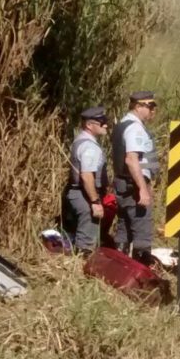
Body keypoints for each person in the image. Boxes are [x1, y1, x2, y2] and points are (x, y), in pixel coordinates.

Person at [112, 91, 160, 266]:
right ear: (139, 106)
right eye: (151, 106)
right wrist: (142, 188)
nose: (153, 111)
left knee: (124, 226)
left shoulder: (122, 124)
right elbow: (131, 160)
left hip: (123, 183)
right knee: (142, 230)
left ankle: (119, 266)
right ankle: (140, 271)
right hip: (133, 185)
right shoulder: (135, 128)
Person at [63, 106, 110, 256]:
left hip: (79, 193)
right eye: (102, 121)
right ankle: (81, 263)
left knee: (78, 233)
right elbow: (87, 175)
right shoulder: (89, 146)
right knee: (87, 240)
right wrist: (95, 202)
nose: (106, 125)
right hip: (84, 195)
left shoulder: (82, 140)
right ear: (89, 125)